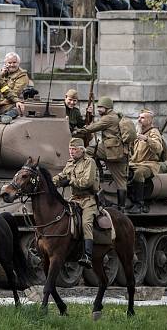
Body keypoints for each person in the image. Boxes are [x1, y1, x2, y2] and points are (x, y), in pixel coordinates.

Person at [52, 138, 99, 268]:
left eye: (74, 149)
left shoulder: (89, 162)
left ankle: (88, 256)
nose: (71, 152)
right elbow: (61, 175)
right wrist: (50, 182)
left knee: (86, 223)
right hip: (74, 199)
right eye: (70, 149)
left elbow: (86, 182)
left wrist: (70, 181)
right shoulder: (70, 163)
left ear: (81, 150)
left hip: (87, 200)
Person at [74, 96, 128, 207]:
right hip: (120, 152)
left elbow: (92, 128)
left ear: (107, 107)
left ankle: (94, 169)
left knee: (87, 151)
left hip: (110, 149)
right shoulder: (116, 116)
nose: (98, 109)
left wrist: (76, 131)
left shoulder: (108, 118)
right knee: (121, 181)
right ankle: (121, 207)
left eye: (100, 107)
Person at [127, 109, 163, 214]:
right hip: (135, 163)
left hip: (149, 164)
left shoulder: (154, 132)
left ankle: (139, 204)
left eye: (142, 118)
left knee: (139, 173)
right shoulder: (138, 132)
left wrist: (147, 139)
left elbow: (158, 148)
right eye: (139, 117)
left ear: (149, 120)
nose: (139, 119)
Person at [0, 52, 29, 124]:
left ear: (18, 63)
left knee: (14, 110)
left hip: (12, 104)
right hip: (0, 103)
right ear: (5, 64)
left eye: (14, 62)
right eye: (9, 62)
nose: (12, 65)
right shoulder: (4, 74)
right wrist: (1, 75)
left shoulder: (22, 76)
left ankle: (4, 117)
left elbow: (14, 94)